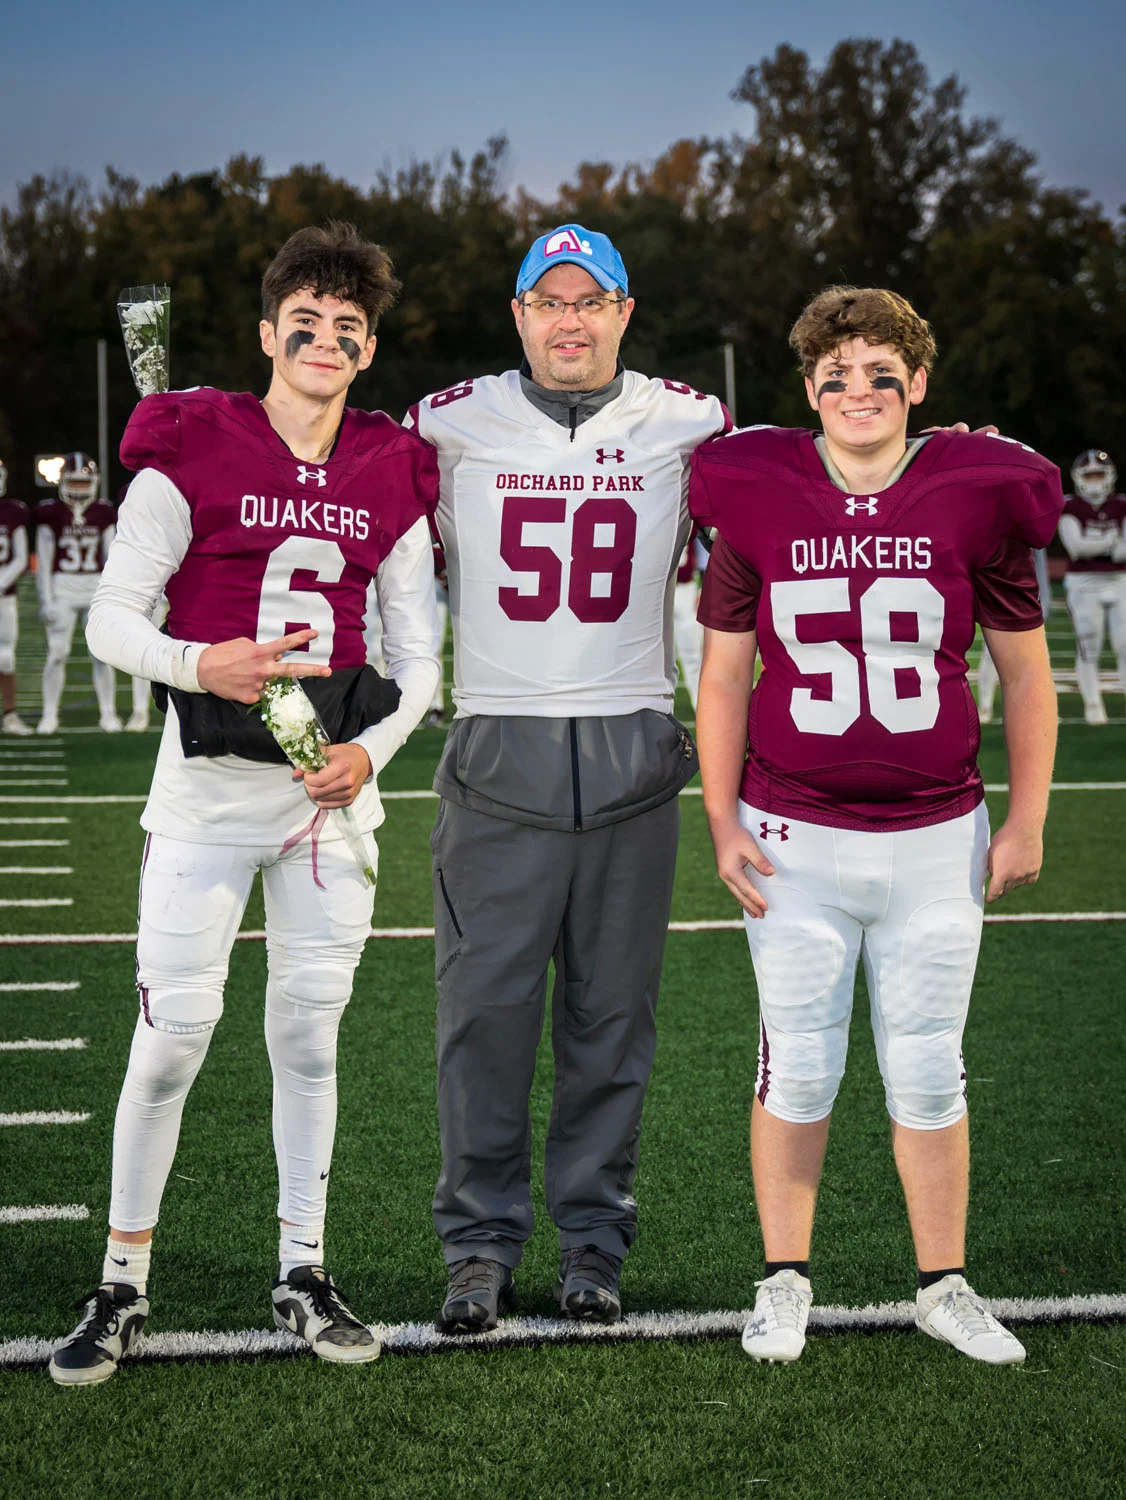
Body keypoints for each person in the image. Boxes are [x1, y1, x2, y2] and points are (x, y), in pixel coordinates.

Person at [48, 223, 441, 1385]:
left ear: (367, 354)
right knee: (171, 1040)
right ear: (269, 336)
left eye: (348, 331)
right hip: (208, 793)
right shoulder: (194, 439)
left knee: (306, 1040)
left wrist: (371, 752)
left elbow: (423, 658)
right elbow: (111, 616)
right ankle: (120, 1281)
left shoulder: (389, 462)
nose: (325, 343)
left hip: (328, 808)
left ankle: (303, 1269)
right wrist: (196, 662)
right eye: (305, 324)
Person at [693, 285, 1063, 1367]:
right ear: (807, 390)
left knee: (928, 1069)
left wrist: (1028, 817)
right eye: (835, 374)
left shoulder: (977, 488)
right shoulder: (756, 488)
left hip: (936, 837)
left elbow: (1026, 676)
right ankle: (784, 1281)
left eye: (880, 370)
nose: (860, 390)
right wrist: (719, 821)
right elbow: (722, 680)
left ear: (919, 385)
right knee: (797, 1067)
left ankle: (942, 1284)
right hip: (793, 838)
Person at [406, 224, 730, 1333]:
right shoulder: (447, 423)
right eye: (548, 302)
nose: (569, 321)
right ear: (517, 317)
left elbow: (810, 465)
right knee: (482, 1022)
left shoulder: (688, 422)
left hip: (633, 760)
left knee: (612, 1027)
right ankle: (479, 1249)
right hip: (498, 759)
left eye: (590, 301)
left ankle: (593, 1242)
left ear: (624, 313)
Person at [34, 454, 120, 734]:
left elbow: (112, 558)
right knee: (57, 653)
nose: (80, 488)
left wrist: (113, 596)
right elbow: (44, 561)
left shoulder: (104, 512)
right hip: (63, 589)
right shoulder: (51, 512)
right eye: (75, 482)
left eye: (84, 483)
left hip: (95, 588)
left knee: (102, 655)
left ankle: (108, 713)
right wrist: (46, 599)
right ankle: (49, 714)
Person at [1058, 449, 1126, 725]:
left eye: (1099, 473)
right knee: (1089, 644)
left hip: (1120, 580)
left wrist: (1094, 545)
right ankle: (1093, 704)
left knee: (1125, 644)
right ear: (1079, 478)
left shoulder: (1122, 505)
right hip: (1084, 584)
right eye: (1090, 475)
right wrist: (1111, 541)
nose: (1095, 480)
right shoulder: (1069, 506)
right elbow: (1076, 548)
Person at [976, 547, 1050, 723]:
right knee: (991, 653)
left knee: (1034, 658)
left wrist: (1045, 600)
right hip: (998, 595)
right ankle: (985, 706)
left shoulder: (1030, 535)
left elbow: (1040, 568)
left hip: (1024, 599)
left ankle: (1034, 710)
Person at [0, 459, 33, 735]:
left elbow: (21, 557)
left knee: (6, 658)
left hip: (4, 596)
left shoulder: (13, 511)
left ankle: (10, 715)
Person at [673, 522, 708, 711]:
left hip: (684, 588)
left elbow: (704, 543)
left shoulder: (686, 500)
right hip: (654, 590)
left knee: (693, 653)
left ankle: (702, 708)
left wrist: (705, 583)